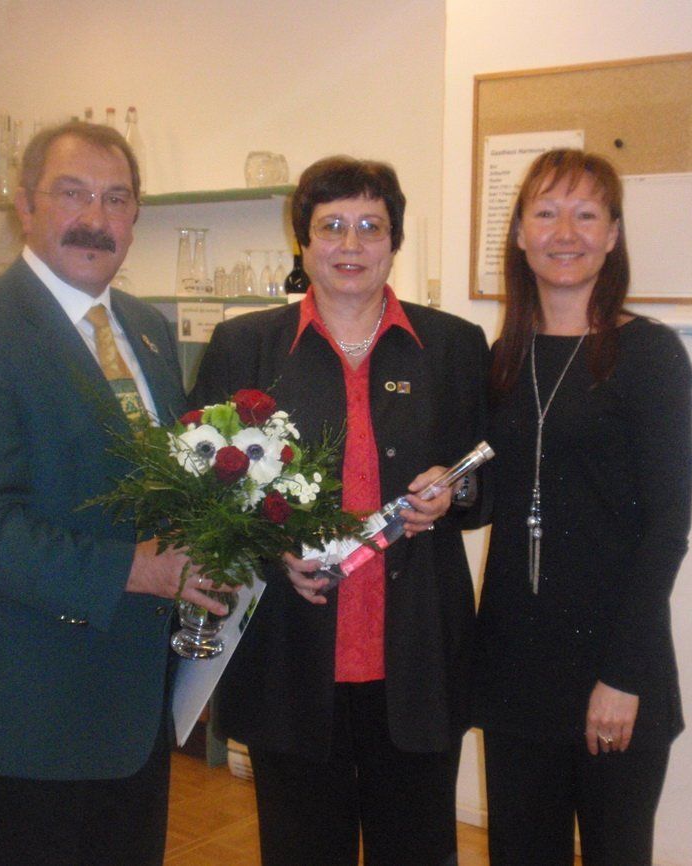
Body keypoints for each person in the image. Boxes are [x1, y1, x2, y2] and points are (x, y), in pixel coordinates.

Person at [0, 120, 229, 866]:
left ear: (135, 215)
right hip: (28, 715)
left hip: (133, 706)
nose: (95, 217)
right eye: (72, 193)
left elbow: (162, 485)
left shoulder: (146, 329)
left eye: (116, 199)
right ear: (25, 205)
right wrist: (139, 569)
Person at [190, 155, 489, 866]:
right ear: (302, 241)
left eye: (370, 226)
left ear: (394, 241)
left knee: (416, 852)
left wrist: (454, 491)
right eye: (331, 226)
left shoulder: (452, 346)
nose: (350, 244)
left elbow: (486, 488)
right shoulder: (245, 346)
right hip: (289, 656)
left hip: (415, 658)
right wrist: (272, 551)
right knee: (301, 850)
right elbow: (202, 493)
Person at [473, 149, 692, 866]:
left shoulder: (650, 355)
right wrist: (444, 492)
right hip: (515, 663)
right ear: (518, 234)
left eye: (586, 214)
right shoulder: (502, 357)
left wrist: (623, 675)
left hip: (615, 662)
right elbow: (487, 499)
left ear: (612, 234)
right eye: (545, 212)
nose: (564, 232)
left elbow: (668, 528)